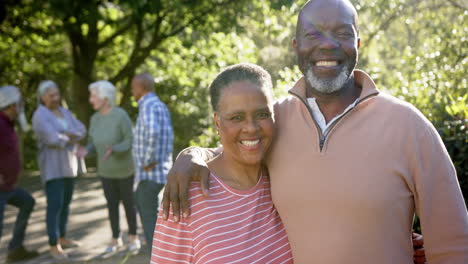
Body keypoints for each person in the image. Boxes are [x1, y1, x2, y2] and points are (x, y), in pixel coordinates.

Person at [162, 0, 468, 263]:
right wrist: (193, 154)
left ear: (357, 44)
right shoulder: (276, 120)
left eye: (342, 33)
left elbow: (454, 245)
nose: (328, 44)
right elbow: (237, 146)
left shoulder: (408, 126)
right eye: (313, 34)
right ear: (297, 47)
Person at [151, 63, 293, 263]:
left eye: (262, 114)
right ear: (217, 122)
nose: (251, 128)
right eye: (237, 117)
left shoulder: (282, 175)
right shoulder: (185, 196)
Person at [76, 80, 141, 254]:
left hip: (125, 170)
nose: (91, 100)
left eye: (94, 96)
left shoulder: (120, 115)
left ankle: (133, 237)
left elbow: (129, 140)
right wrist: (84, 151)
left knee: (128, 204)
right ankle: (115, 238)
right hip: (105, 172)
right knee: (111, 205)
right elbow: (92, 144)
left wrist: (115, 149)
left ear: (105, 98)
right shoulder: (94, 118)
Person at [32, 80, 86, 260]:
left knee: (65, 203)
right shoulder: (39, 115)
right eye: (51, 95)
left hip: (69, 166)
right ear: (42, 97)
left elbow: (81, 129)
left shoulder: (64, 112)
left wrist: (66, 136)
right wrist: (68, 136)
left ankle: (62, 237)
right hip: (52, 168)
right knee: (54, 205)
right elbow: (51, 139)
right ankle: (53, 244)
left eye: (57, 94)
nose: (55, 98)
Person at [131, 73, 174, 252]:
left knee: (149, 216)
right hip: (160, 170)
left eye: (133, 88)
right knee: (150, 212)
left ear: (141, 88)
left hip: (151, 171)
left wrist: (147, 161)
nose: (132, 92)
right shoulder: (159, 105)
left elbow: (153, 133)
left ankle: (157, 254)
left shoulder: (148, 105)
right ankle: (161, 250)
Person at [0, 85, 39, 262]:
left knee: (27, 202)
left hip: (8, 186)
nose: (22, 106)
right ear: (12, 104)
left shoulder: (9, 124)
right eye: (19, 103)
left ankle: (16, 249)